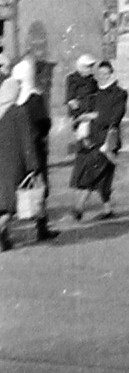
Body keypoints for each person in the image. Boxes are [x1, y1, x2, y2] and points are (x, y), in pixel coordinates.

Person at [71, 59, 127, 221]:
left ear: (111, 74)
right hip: (93, 138)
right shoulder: (94, 92)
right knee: (104, 175)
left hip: (107, 140)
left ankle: (79, 206)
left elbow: (114, 117)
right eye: (100, 74)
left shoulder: (119, 93)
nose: (102, 77)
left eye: (106, 73)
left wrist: (92, 116)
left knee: (92, 172)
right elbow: (83, 109)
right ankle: (107, 209)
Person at [13, 58, 57, 241]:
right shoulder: (35, 97)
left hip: (17, 147)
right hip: (36, 146)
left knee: (18, 185)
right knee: (38, 185)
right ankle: (41, 227)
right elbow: (44, 123)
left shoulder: (13, 98)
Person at [0, 74, 39, 253]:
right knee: (12, 203)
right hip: (13, 163)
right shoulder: (18, 112)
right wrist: (33, 166)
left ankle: (4, 239)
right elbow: (27, 142)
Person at [64, 54, 98, 136]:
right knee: (82, 136)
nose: (90, 69)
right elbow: (71, 99)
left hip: (91, 113)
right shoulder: (72, 79)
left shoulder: (92, 80)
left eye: (91, 67)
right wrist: (78, 114)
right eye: (88, 67)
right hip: (80, 115)